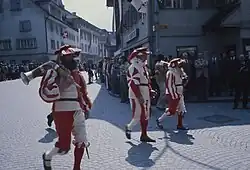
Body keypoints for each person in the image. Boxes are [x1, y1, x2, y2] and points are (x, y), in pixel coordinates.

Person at [40, 45, 92, 170]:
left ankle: (76, 168)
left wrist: (87, 105)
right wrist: (61, 82)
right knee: (64, 147)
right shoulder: (54, 72)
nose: (71, 59)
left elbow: (83, 92)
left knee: (82, 141)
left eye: (72, 56)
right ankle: (48, 156)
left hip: (77, 109)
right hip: (61, 109)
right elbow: (46, 90)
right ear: (61, 58)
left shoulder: (78, 74)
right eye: (67, 56)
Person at [125, 47, 156, 142]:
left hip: (145, 92)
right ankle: (129, 127)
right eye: (144, 55)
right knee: (137, 116)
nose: (146, 57)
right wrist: (139, 96)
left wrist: (150, 90)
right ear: (138, 57)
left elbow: (146, 81)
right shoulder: (133, 67)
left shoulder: (143, 67)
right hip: (136, 94)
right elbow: (133, 84)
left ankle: (144, 135)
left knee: (146, 115)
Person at [156, 58, 188, 130]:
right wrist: (174, 95)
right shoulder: (170, 73)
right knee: (172, 111)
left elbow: (182, 79)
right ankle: (159, 120)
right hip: (173, 93)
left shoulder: (180, 71)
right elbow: (169, 85)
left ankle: (180, 124)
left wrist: (184, 81)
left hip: (179, 92)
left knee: (181, 109)